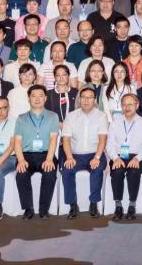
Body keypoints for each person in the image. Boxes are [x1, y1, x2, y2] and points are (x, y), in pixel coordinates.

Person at [59, 86, 109, 218]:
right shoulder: (71, 116)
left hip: (95, 153)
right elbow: (66, 140)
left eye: (90, 98)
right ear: (79, 99)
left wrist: (97, 157)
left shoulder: (101, 116)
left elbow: (102, 140)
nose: (86, 100)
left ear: (95, 100)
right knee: (67, 170)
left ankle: (93, 203)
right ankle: (72, 205)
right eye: (83, 97)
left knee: (97, 169)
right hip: (74, 155)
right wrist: (69, 157)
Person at [12, 85, 60, 219]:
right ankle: (28, 209)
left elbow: (53, 139)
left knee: (50, 173)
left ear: (45, 98)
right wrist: (21, 160)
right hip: (26, 155)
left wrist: (49, 159)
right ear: (29, 99)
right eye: (33, 96)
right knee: (21, 174)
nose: (37, 99)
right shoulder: (21, 118)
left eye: (40, 96)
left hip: (46, 154)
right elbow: (17, 141)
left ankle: (44, 209)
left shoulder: (53, 116)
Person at [107, 93, 142, 221]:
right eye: (124, 105)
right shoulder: (115, 122)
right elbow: (109, 144)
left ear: (137, 106)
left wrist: (137, 158)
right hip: (119, 156)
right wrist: (115, 158)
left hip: (138, 156)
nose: (127, 107)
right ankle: (118, 206)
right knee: (117, 172)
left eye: (130, 104)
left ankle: (132, 205)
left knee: (133, 171)